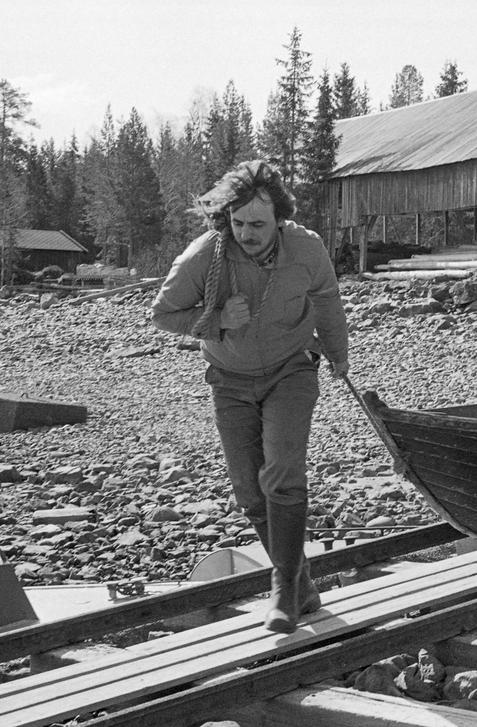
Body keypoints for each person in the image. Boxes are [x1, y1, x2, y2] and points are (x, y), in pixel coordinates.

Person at [151, 160, 349, 633]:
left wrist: (339, 354)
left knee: (281, 471)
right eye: (237, 223)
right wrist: (217, 317)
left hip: (291, 371)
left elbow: (326, 299)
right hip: (230, 380)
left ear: (279, 217)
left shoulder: (306, 248)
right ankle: (302, 585)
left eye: (257, 224)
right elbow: (161, 314)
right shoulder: (205, 255)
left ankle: (282, 590)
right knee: (248, 488)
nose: (247, 233)